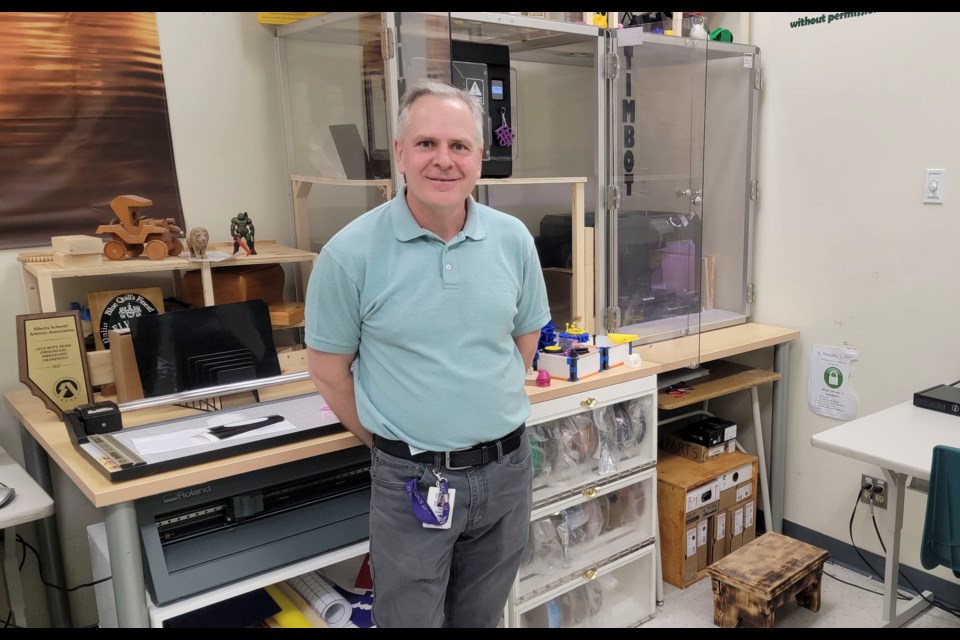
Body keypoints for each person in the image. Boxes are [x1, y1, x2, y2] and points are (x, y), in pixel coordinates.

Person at [305, 79, 550, 628]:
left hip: (508, 472)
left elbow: (523, 341)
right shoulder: (349, 255)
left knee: (481, 618)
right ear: (399, 154)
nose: (444, 160)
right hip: (413, 482)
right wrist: (391, 444)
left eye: (459, 146)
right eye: (426, 144)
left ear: (480, 158)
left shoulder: (513, 241)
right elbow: (327, 371)